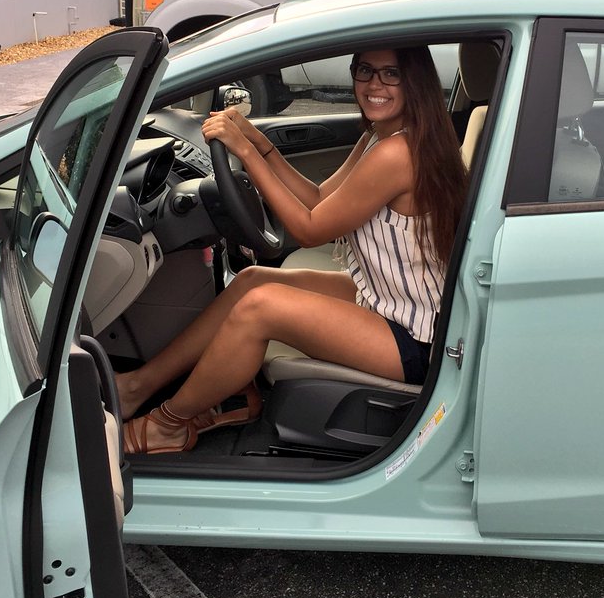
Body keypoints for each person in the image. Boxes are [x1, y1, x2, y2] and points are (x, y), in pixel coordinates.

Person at [118, 45, 468, 453]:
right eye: (365, 70)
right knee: (251, 280)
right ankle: (136, 387)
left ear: (416, 81)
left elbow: (309, 229)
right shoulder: (382, 136)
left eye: (391, 74)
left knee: (259, 308)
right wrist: (258, 143)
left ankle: (168, 425)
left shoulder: (398, 154)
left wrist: (246, 152)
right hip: (394, 300)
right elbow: (319, 198)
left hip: (416, 338)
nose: (375, 84)